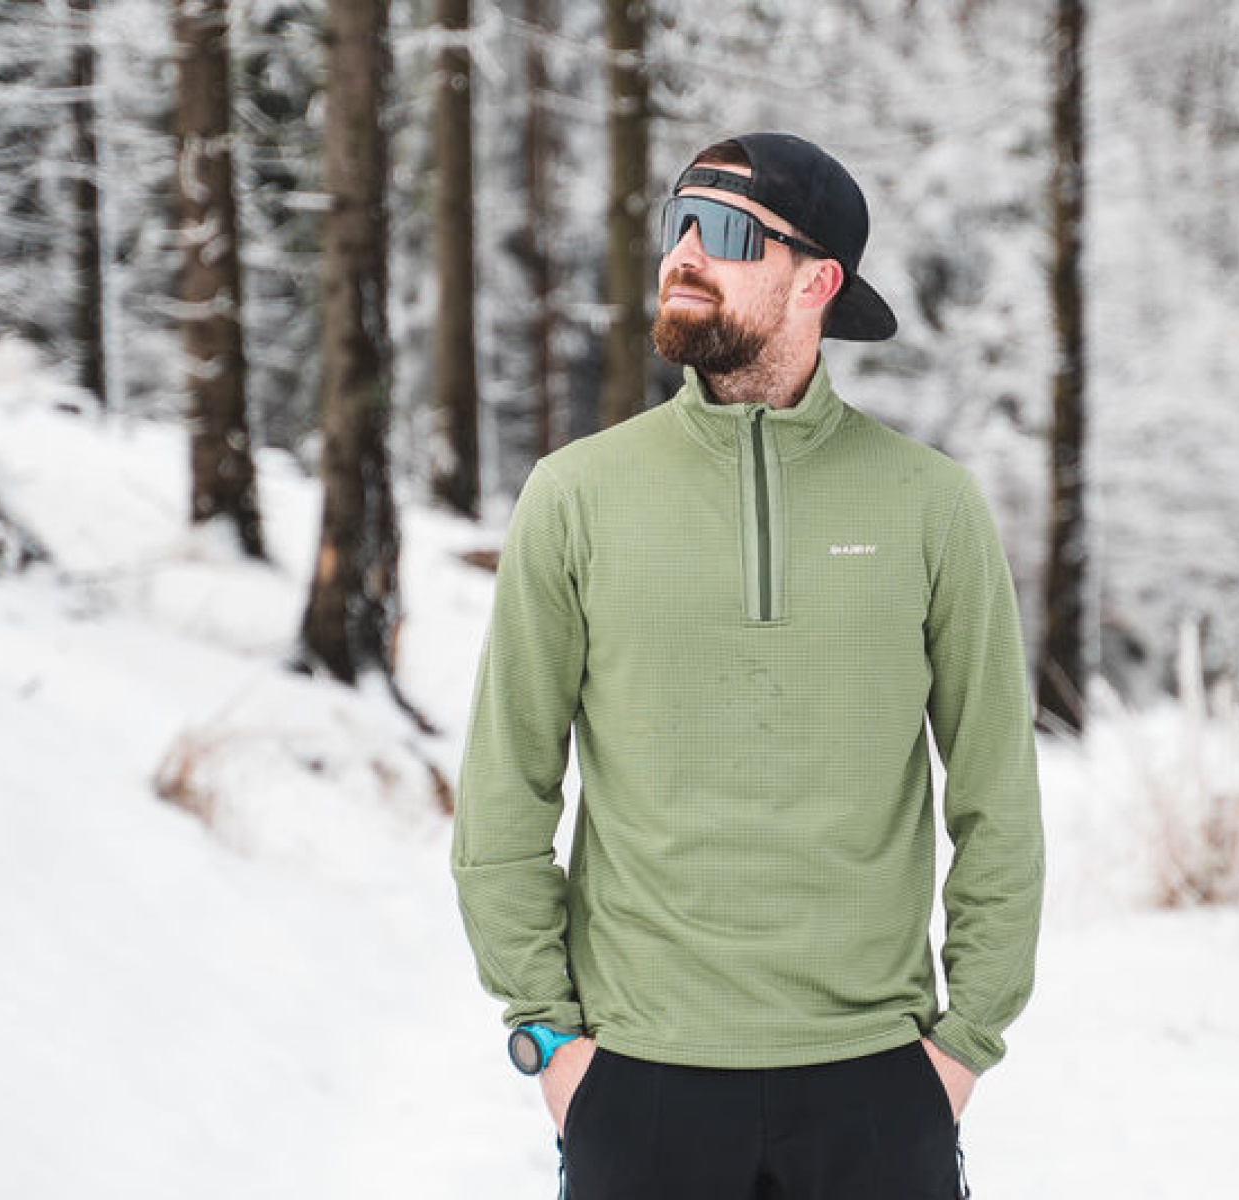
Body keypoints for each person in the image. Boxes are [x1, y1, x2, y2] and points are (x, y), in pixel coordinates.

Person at [452, 131, 1044, 1200]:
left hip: (875, 1081)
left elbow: (997, 793)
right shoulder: (575, 496)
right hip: (638, 1079)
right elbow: (505, 785)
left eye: (725, 231)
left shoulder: (931, 506)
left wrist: (963, 1048)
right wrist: (549, 1039)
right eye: (675, 221)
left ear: (818, 281)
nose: (683, 251)